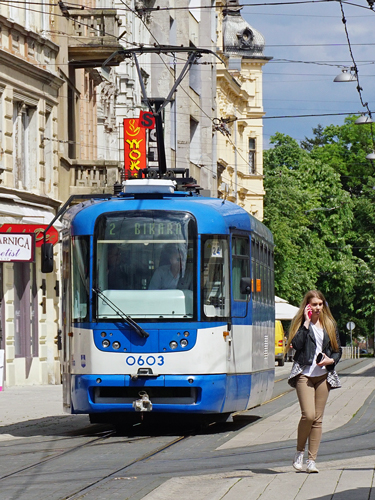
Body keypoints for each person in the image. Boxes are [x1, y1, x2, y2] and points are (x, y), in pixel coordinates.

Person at [285, 290, 342, 474]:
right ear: (307, 306)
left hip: (323, 376)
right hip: (305, 374)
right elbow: (297, 345)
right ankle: (299, 452)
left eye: (320, 304)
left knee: (317, 419)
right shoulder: (302, 325)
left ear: (323, 305)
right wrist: (307, 323)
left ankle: (312, 461)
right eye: (313, 304)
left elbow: (337, 350)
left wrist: (331, 360)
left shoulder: (330, 325)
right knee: (308, 415)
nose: (317, 308)